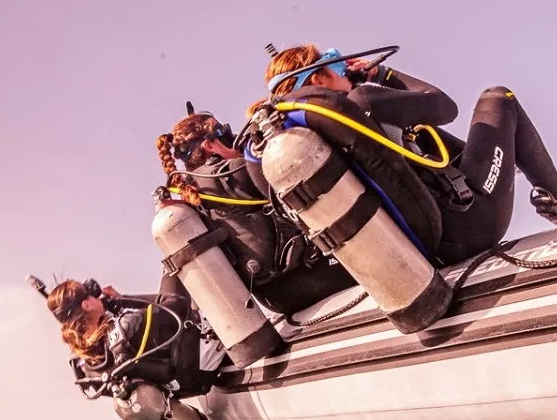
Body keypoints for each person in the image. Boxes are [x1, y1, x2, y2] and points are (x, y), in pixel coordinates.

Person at [261, 44, 557, 262]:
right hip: (472, 223)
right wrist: (382, 74)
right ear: (318, 80)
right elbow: (444, 105)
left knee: (422, 131)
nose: (344, 71)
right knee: (500, 98)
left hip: (427, 250)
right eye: (334, 65)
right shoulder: (360, 102)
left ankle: (509, 167)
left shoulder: (308, 134)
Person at [157, 109, 355, 314]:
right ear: (210, 145)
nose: (233, 137)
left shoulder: (189, 191)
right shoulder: (234, 172)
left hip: (272, 298)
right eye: (223, 132)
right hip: (308, 277)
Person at [45, 277, 210, 398]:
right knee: (173, 265)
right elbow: (177, 303)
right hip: (202, 353)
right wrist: (121, 300)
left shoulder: (91, 370)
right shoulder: (127, 328)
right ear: (86, 305)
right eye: (89, 293)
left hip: (183, 386)